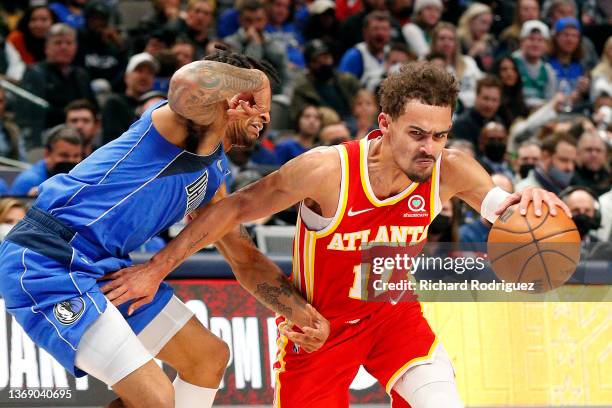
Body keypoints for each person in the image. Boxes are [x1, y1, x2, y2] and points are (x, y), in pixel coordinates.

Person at [111, 62, 570, 407]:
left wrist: (531, 202)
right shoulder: (328, 170)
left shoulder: (450, 168)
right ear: (385, 124)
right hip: (320, 329)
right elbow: (234, 209)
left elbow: (501, 208)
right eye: (416, 133)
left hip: (394, 318)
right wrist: (156, 268)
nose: (429, 147)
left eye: (439, 134)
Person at [0, 49, 328, 408]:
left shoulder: (213, 175)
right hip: (47, 256)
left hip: (101, 266)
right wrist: (256, 80)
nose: (265, 113)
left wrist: (301, 315)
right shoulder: (178, 126)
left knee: (209, 358)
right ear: (230, 97)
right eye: (254, 101)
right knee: (157, 398)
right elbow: (186, 82)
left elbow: (245, 260)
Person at [9, 125, 83, 197]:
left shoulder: (82, 178)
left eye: (76, 156)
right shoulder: (29, 181)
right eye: (64, 155)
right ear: (47, 154)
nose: (71, 160)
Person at [101, 52, 157, 145]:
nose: (144, 77)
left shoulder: (156, 107)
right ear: (126, 77)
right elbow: (113, 141)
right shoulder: (114, 103)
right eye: (139, 71)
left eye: (150, 73)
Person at [338, 10, 392, 91]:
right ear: (365, 32)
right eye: (375, 29)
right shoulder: (354, 56)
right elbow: (343, 87)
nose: (380, 34)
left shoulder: (392, 53)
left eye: (384, 29)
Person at [511, 20, 557, 110]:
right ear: (522, 42)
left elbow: (551, 100)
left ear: (546, 46)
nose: (535, 44)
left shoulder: (548, 70)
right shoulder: (511, 63)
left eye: (540, 40)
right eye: (531, 39)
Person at [451, 75, 503, 150]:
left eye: (494, 100)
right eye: (486, 98)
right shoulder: (462, 124)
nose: (489, 105)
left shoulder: (499, 122)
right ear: (477, 97)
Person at [570, 131, 610, 197]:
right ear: (578, 153)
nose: (594, 154)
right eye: (588, 150)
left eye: (598, 150)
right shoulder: (569, 177)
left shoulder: (608, 178)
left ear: (605, 155)